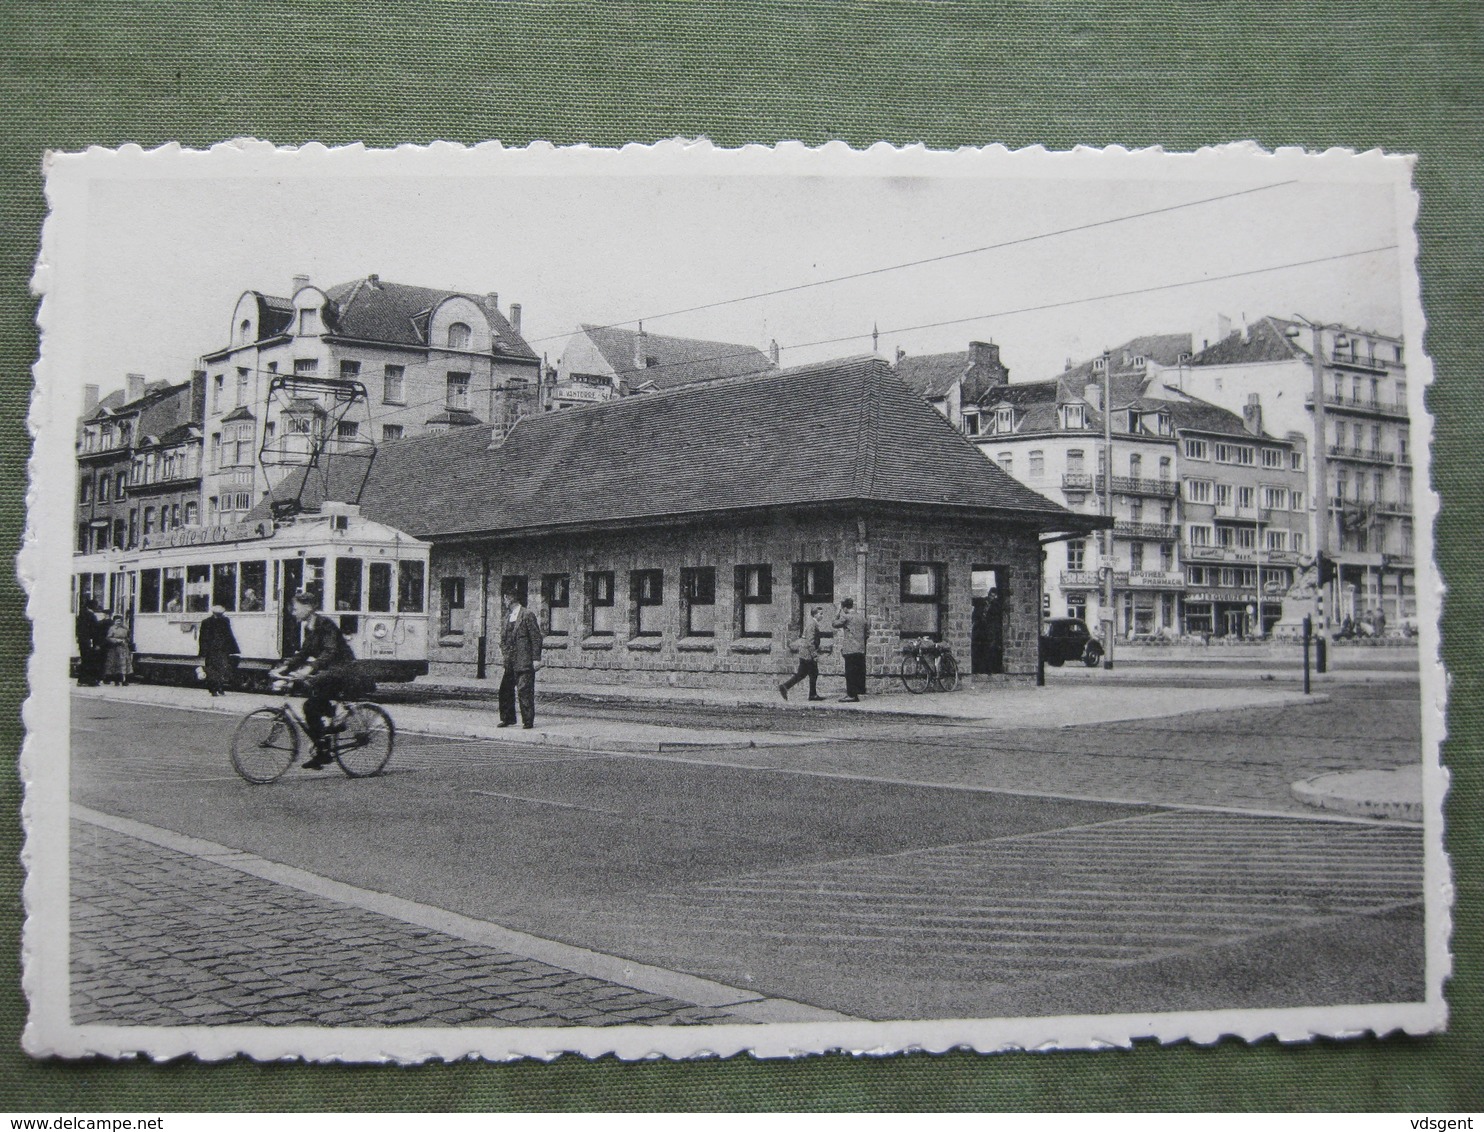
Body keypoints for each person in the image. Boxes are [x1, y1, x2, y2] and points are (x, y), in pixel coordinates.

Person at [271, 590, 361, 769]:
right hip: (328, 670)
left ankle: (332, 728)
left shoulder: (325, 625)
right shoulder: (309, 627)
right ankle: (324, 747)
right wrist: (284, 668)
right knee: (311, 705)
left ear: (309, 608)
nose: (293, 612)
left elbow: (330, 651)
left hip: (342, 669)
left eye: (295, 608)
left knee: (310, 701)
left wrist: (309, 669)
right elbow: (304, 653)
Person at [498, 588, 544, 729]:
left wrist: (536, 658)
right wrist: (505, 653)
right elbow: (504, 639)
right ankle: (508, 718)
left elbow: (536, 638)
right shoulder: (507, 617)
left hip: (524, 660)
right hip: (510, 661)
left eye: (505, 598)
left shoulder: (527, 615)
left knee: (524, 690)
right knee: (505, 690)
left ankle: (528, 721)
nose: (504, 601)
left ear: (510, 598)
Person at [779, 607, 826, 701]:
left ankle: (785, 686)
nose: (822, 616)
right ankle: (812, 695)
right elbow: (810, 641)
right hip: (808, 654)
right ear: (815, 614)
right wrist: (814, 655)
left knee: (802, 674)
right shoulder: (812, 624)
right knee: (813, 673)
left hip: (804, 653)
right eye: (820, 614)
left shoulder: (812, 623)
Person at [197, 604, 240, 697]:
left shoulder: (225, 621)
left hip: (222, 650)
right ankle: (213, 690)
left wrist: (232, 649)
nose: (221, 615)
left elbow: (229, 635)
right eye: (219, 613)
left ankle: (220, 688)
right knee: (212, 671)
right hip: (211, 651)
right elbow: (203, 638)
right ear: (215, 613)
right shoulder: (206, 622)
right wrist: (203, 652)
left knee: (222, 670)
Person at [832, 596, 869, 702]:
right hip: (860, 649)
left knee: (850, 672)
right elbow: (867, 633)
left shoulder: (846, 617)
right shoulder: (862, 617)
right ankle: (858, 692)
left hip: (850, 649)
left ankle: (851, 695)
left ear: (844, 607)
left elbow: (834, 624)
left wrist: (837, 612)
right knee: (858, 671)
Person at [74, 596, 106, 686]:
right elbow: (94, 630)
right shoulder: (91, 615)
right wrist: (96, 642)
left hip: (82, 641)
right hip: (89, 641)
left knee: (85, 660)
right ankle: (90, 680)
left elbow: (78, 629)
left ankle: (81, 680)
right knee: (90, 661)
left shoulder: (81, 615)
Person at [102, 615, 133, 686]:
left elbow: (128, 637)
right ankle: (116, 680)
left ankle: (124, 680)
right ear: (114, 622)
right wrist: (116, 640)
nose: (119, 622)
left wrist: (126, 641)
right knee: (115, 664)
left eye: (120, 621)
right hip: (114, 649)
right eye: (117, 621)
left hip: (123, 648)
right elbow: (108, 637)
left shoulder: (125, 628)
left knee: (124, 663)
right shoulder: (112, 629)